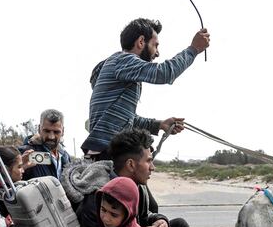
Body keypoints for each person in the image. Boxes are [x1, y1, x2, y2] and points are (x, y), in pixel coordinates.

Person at [80, 18, 210, 158]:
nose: (157, 53)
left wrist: (159, 124)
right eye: (156, 45)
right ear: (141, 42)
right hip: (107, 151)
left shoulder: (122, 68)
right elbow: (164, 73)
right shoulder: (123, 60)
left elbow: (128, 119)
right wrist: (194, 49)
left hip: (106, 150)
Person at [19, 108, 71, 180]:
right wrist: (20, 168)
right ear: (39, 129)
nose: (51, 137)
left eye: (56, 132)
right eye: (46, 131)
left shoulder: (66, 157)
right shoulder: (26, 153)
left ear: (63, 131)